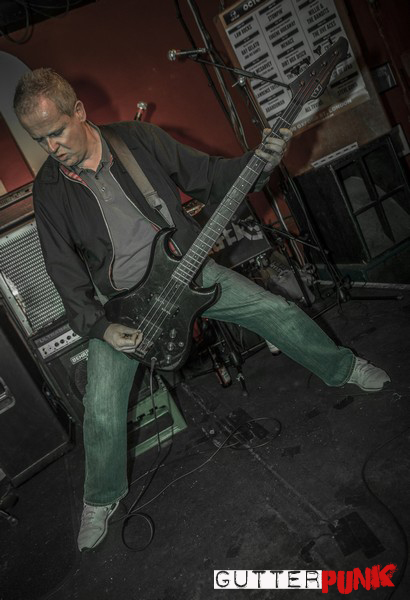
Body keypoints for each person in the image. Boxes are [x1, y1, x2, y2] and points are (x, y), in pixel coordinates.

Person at [14, 68, 389, 553]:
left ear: (79, 112)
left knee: (275, 310)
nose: (51, 147)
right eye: (39, 139)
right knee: (101, 406)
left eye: (56, 131)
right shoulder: (49, 189)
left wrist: (259, 162)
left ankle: (344, 367)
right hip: (122, 305)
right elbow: (63, 270)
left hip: (184, 268)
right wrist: (101, 327)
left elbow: (211, 179)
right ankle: (100, 498)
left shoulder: (137, 139)